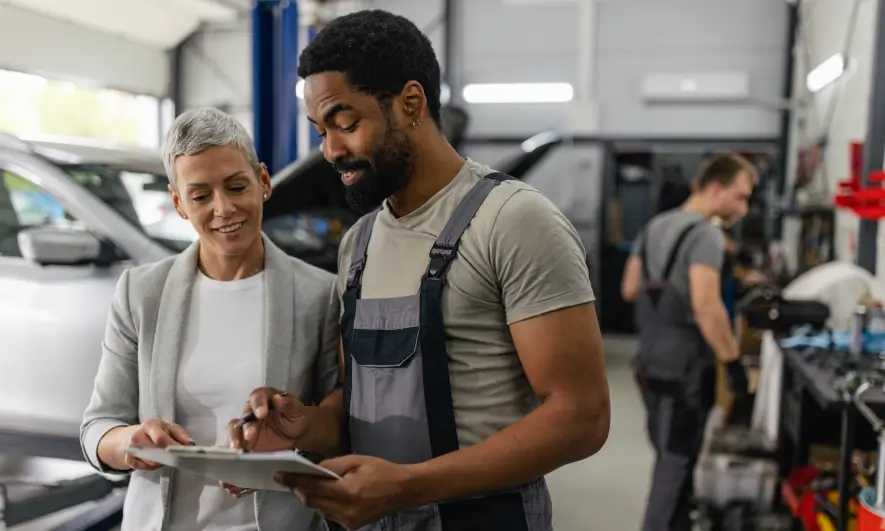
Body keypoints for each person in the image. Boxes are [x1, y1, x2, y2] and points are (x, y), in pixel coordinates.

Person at [230, 9, 610, 531]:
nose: (331, 150)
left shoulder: (514, 221)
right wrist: (304, 426)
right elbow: (360, 399)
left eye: (345, 123)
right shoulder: (359, 244)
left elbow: (581, 417)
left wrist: (410, 486)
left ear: (411, 103)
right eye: (321, 131)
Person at [79, 108, 339, 531]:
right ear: (179, 203)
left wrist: (288, 445)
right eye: (200, 196)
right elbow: (97, 427)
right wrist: (131, 442)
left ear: (264, 181)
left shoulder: (319, 295)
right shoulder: (141, 293)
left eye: (237, 186)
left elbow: (337, 429)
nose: (224, 208)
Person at [620, 153, 757, 531]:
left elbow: (630, 289)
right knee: (676, 464)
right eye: (740, 196)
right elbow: (707, 306)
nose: (743, 208)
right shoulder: (706, 234)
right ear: (715, 188)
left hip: (648, 364)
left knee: (668, 456)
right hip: (684, 372)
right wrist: (732, 364)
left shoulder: (654, 227)